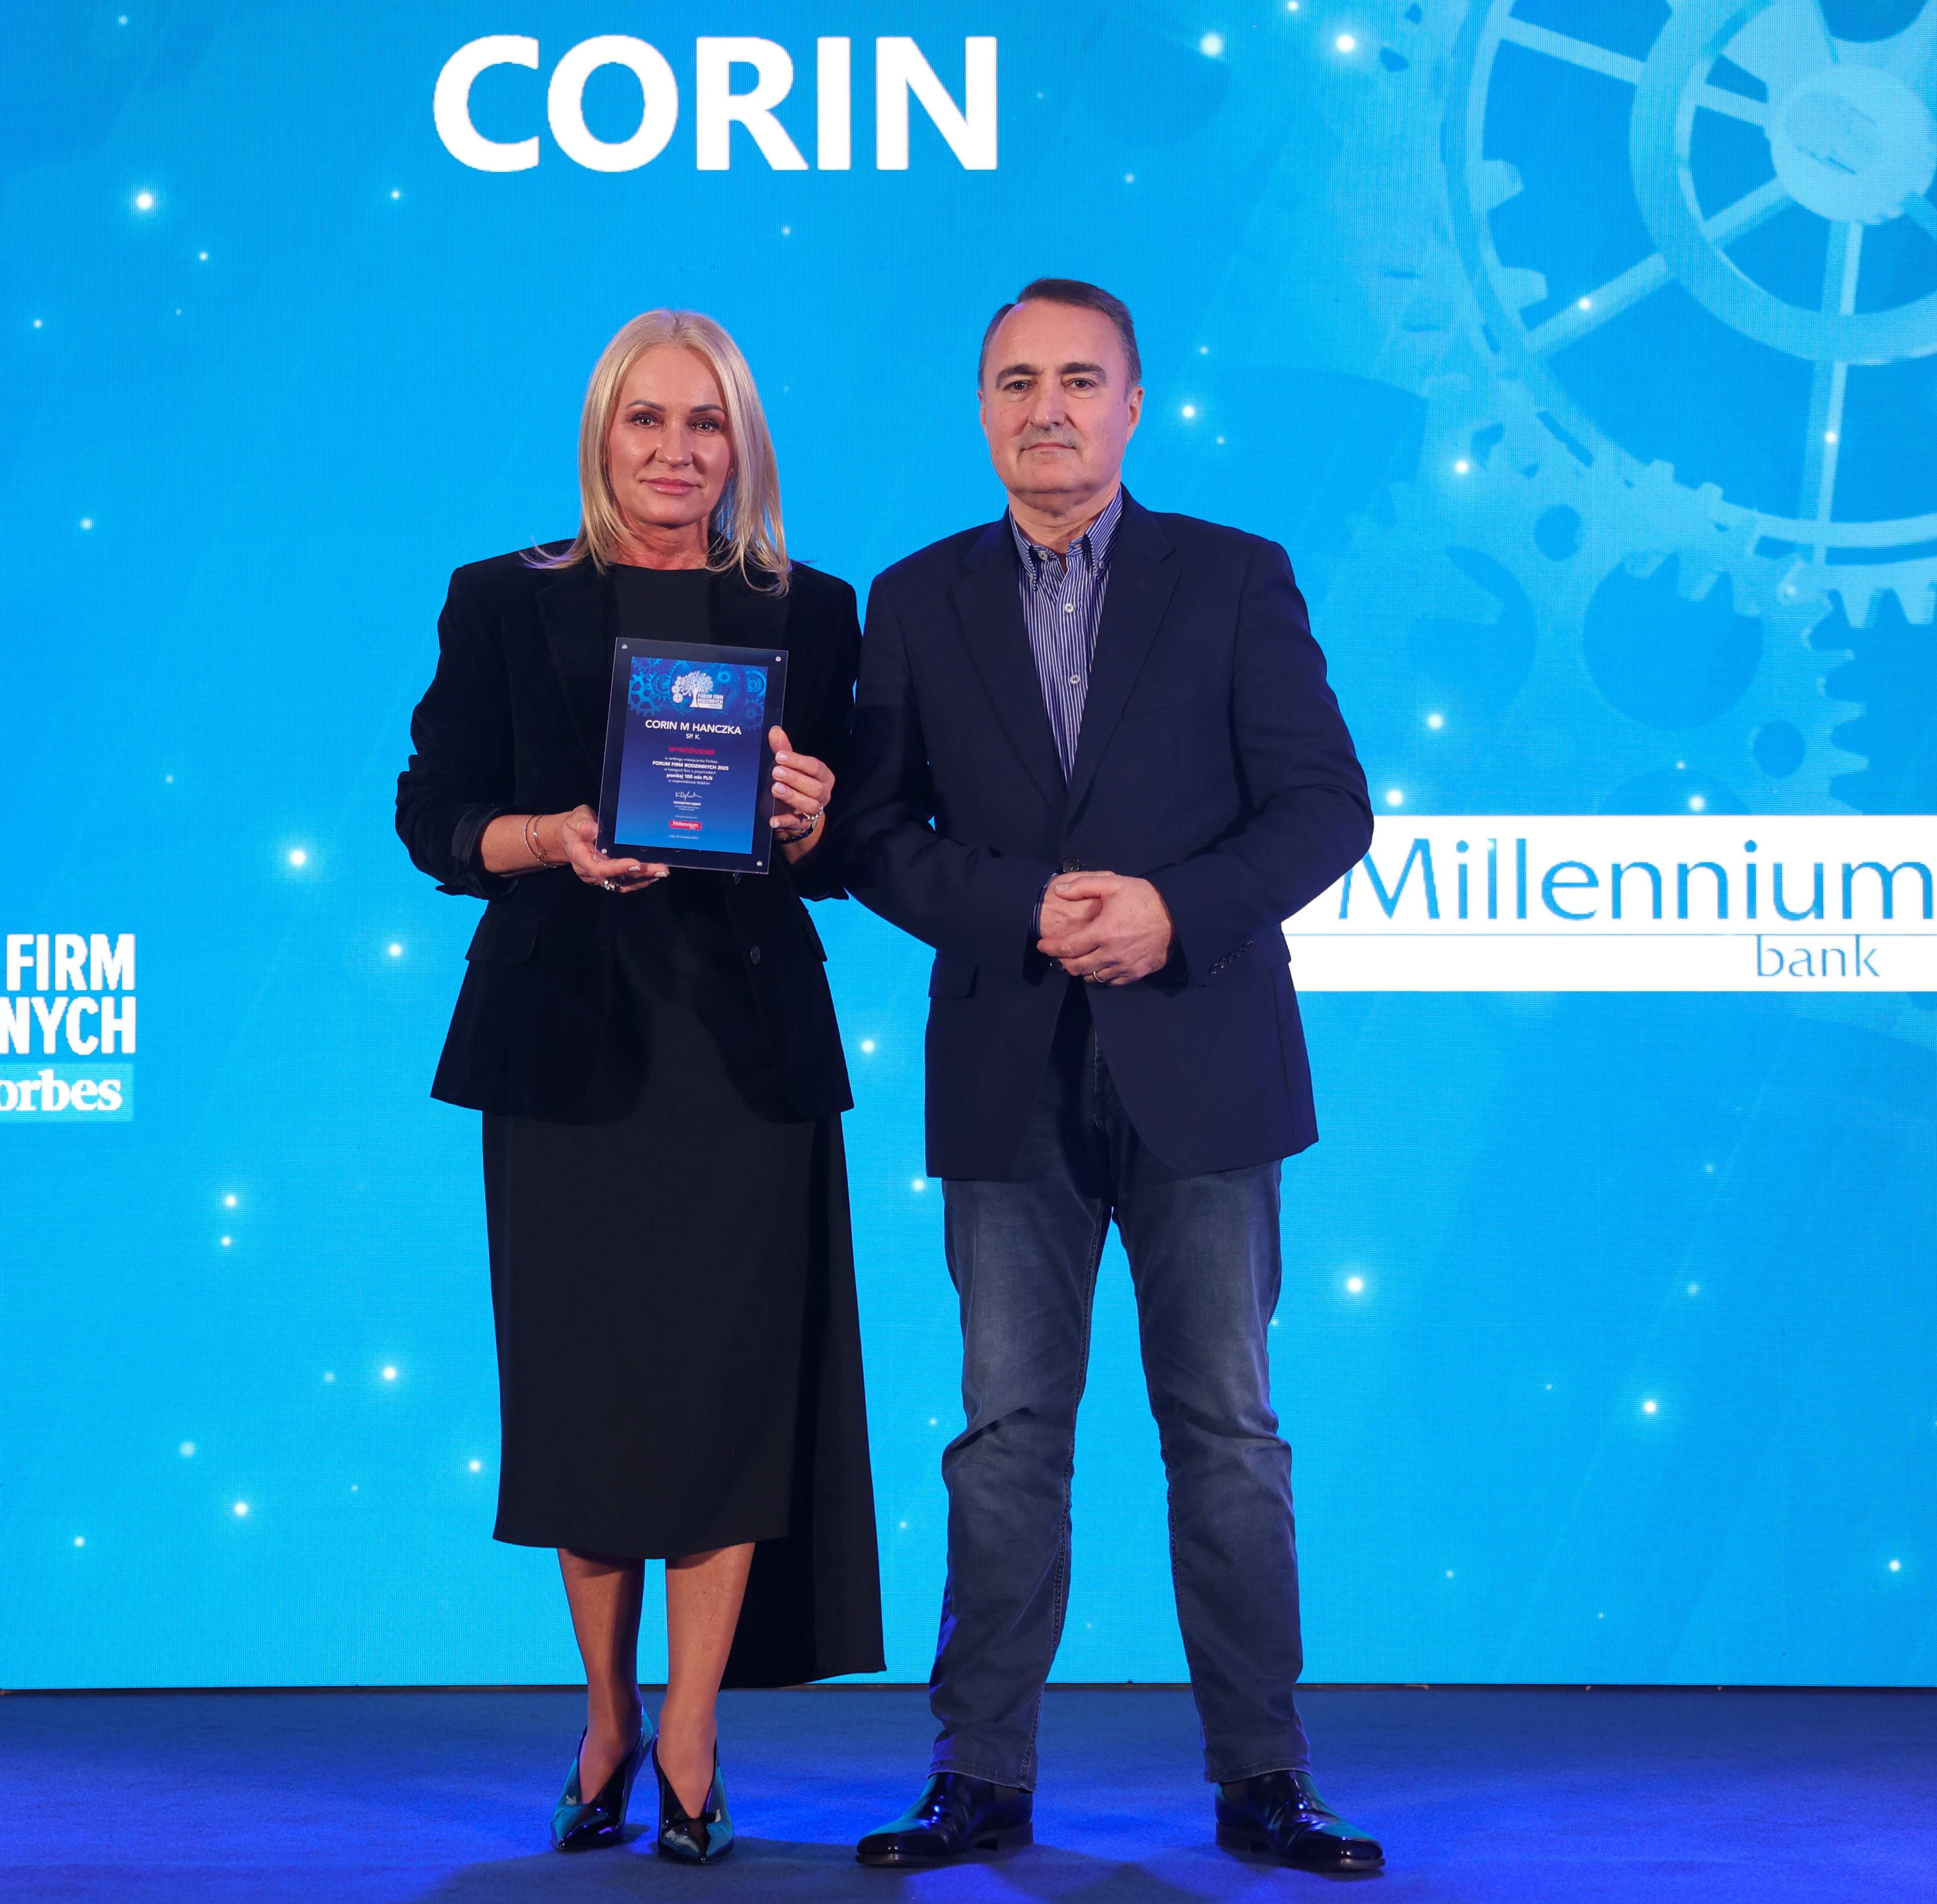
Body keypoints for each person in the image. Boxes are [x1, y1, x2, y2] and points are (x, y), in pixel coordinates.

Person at [837, 279, 1383, 1871]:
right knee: (1006, 1435)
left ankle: (1265, 1777)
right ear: (981, 408)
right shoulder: (914, 597)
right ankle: (977, 1776)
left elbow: (1326, 807)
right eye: (1016, 382)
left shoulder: (1233, 576)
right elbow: (872, 834)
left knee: (1226, 1432)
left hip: (1202, 1058)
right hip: (1007, 1066)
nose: (1047, 410)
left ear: (1134, 405)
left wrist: (1170, 912)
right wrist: (1024, 907)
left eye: (1079, 380)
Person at [395, 309, 884, 1866]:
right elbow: (431, 815)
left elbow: (845, 854)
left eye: (705, 422)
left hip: (741, 1061)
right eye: (645, 420)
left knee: (728, 1402)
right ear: (601, 436)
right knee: (588, 1402)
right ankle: (606, 1717)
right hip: (566, 1056)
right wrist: (547, 839)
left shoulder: (813, 608)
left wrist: (810, 818)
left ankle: (691, 1737)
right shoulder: (500, 597)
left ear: (743, 444)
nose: (676, 451)